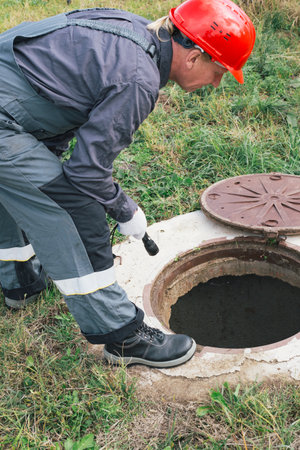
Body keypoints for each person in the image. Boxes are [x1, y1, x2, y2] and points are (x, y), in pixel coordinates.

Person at [0, 0, 255, 368]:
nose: (216, 83)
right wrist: (124, 208)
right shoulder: (139, 77)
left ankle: (20, 280)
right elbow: (86, 172)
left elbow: (54, 95)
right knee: (72, 210)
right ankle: (123, 336)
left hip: (10, 109)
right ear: (195, 56)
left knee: (18, 186)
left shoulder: (131, 31)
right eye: (219, 71)